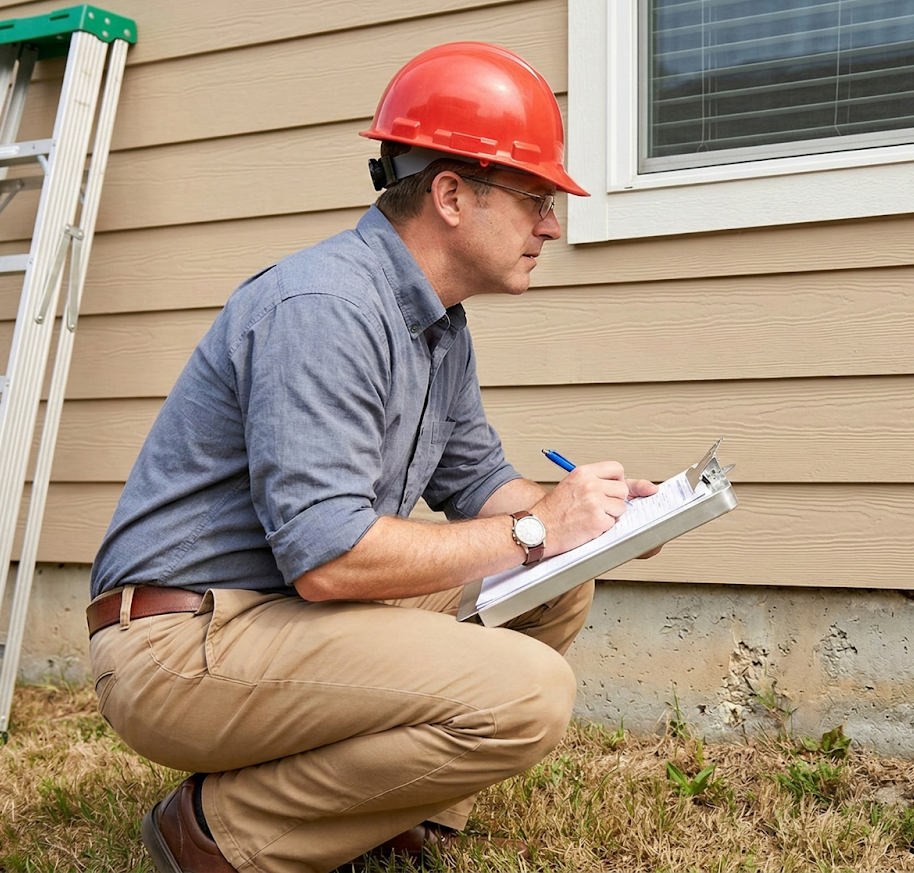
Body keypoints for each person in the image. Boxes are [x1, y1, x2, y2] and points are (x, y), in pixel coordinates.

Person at [85, 42, 658, 873]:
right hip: (184, 639)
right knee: (531, 693)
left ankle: (382, 810)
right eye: (535, 196)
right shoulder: (325, 307)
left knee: (558, 583)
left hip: (279, 615)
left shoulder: (438, 325)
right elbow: (327, 558)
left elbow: (483, 487)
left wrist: (600, 516)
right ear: (453, 195)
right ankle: (217, 832)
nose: (551, 224)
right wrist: (538, 528)